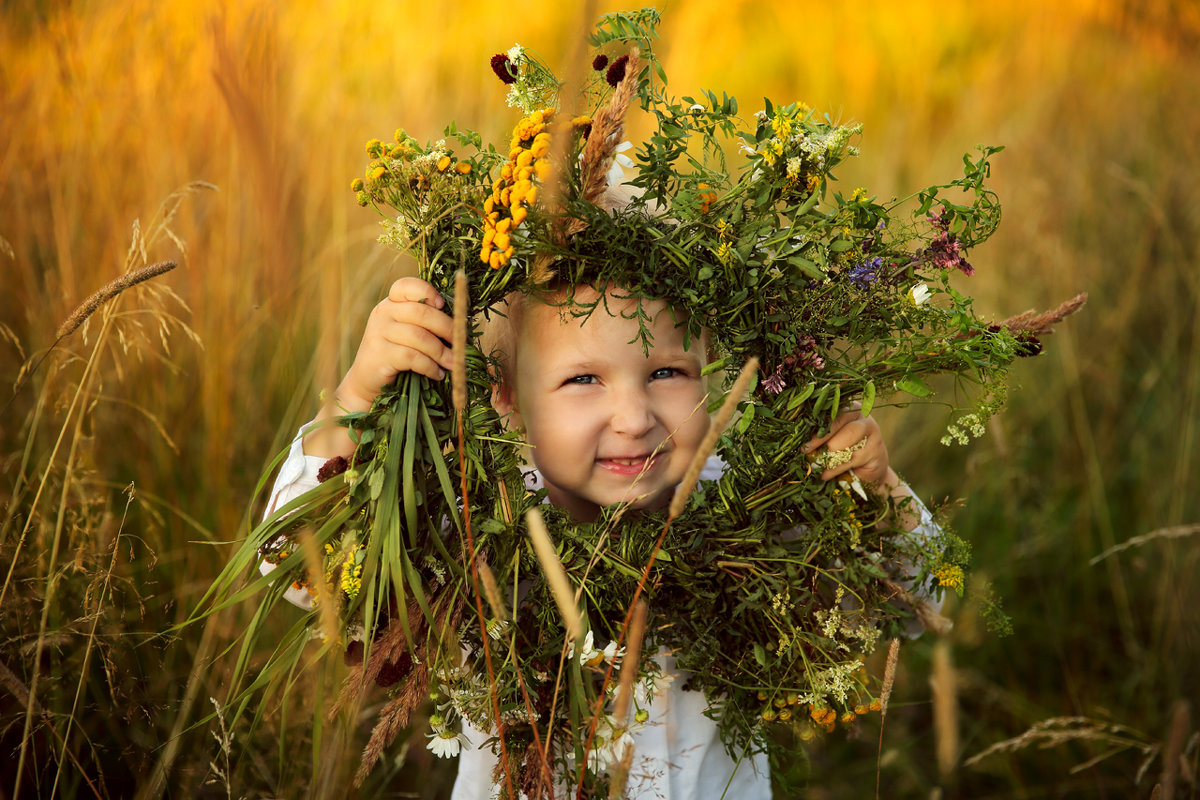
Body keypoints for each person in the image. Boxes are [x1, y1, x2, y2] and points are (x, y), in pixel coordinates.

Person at [264, 269, 940, 799]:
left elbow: (918, 606)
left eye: (667, 372)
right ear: (507, 399)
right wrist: (353, 399)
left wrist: (879, 492)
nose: (633, 417)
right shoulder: (474, 515)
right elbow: (294, 570)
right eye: (583, 378)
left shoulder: (749, 502)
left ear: (710, 375)